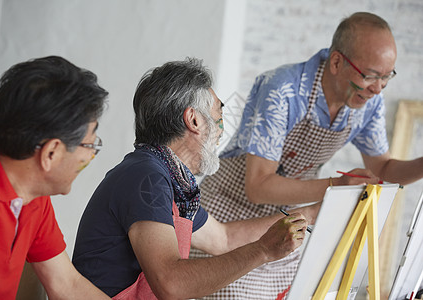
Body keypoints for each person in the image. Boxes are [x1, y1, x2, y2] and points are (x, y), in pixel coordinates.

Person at [189, 11, 423, 299]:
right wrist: (336, 187)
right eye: (370, 76)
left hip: (285, 220)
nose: (377, 89)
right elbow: (259, 186)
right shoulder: (283, 89)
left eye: (387, 78)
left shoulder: (369, 102)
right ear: (336, 62)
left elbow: (384, 169)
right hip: (229, 210)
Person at [72, 58, 318, 299]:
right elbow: (171, 284)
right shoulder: (146, 176)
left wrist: (312, 214)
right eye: (219, 115)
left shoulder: (173, 180)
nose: (221, 129)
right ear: (194, 120)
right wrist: (263, 250)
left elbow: (223, 238)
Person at [0, 56, 112, 299]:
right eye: (89, 144)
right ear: (51, 153)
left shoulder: (31, 196)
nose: (91, 154)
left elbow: (67, 286)